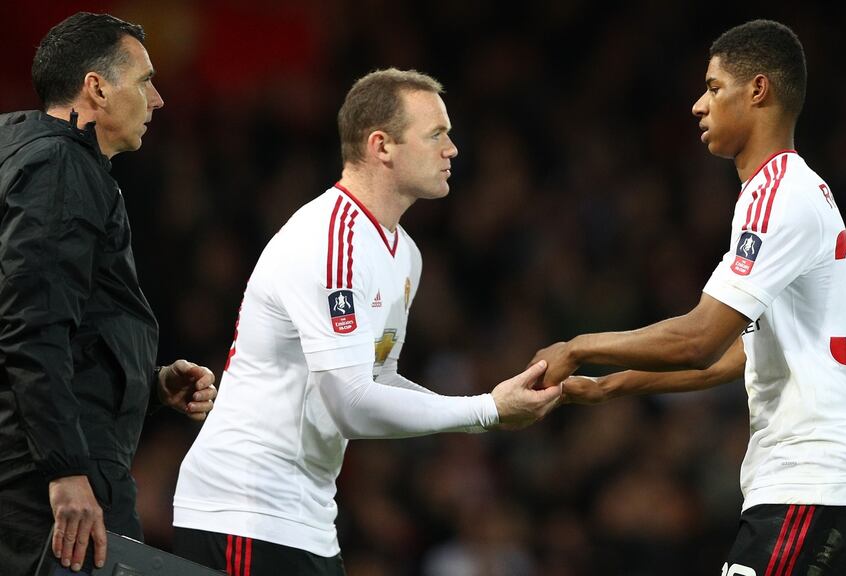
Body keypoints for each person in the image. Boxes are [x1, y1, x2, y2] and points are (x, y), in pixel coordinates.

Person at [533, 20, 846, 575]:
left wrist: (579, 346)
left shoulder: (777, 194)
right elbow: (738, 357)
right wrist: (614, 385)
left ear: (758, 90)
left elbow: (699, 339)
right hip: (818, 481)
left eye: (714, 86)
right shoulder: (782, 192)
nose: (699, 105)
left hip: (812, 476)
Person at [172, 68, 561, 576]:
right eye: (436, 134)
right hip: (243, 511)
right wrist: (484, 410)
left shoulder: (406, 254)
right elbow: (352, 404)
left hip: (306, 517)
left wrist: (490, 408)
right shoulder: (331, 240)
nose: (453, 150)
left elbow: (376, 378)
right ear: (382, 146)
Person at [0, 12, 219, 576]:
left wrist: (147, 382)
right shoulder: (60, 166)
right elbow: (32, 324)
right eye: (145, 80)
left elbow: (56, 334)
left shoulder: (24, 157)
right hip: (54, 487)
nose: (159, 98)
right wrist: (65, 469)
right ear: (97, 88)